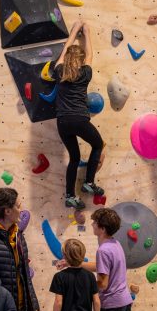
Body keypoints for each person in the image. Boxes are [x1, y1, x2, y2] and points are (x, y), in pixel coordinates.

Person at [52, 20, 106, 210]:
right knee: (98, 145)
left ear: (66, 59)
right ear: (81, 61)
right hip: (79, 119)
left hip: (62, 122)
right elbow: (90, 53)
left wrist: (74, 31)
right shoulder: (85, 73)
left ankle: (69, 195)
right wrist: (87, 32)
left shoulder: (59, 71)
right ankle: (88, 182)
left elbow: (64, 52)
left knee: (74, 158)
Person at [76, 207, 131, 311]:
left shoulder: (103, 250)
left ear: (103, 228)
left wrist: (82, 286)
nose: (92, 224)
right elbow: (102, 267)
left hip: (111, 304)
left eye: (95, 222)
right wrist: (76, 264)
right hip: (124, 301)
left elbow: (102, 284)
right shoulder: (115, 244)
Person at [49, 237, 99, 311]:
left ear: (65, 256)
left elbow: (58, 303)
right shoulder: (90, 276)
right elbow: (96, 302)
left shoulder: (59, 277)